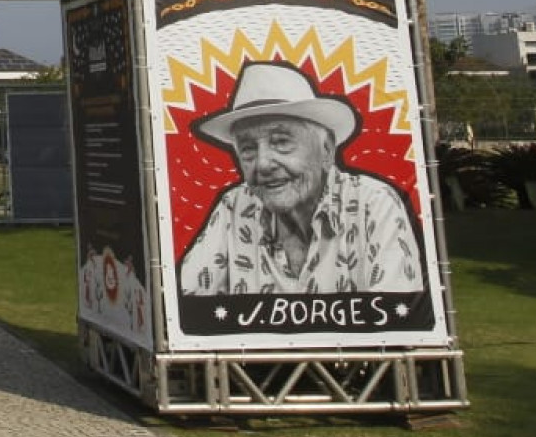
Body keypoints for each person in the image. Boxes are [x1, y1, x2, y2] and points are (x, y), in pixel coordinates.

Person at [180, 62, 424, 296]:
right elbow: (185, 306)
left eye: (281, 141)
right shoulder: (234, 207)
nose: (262, 163)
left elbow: (396, 320)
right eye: (247, 148)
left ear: (327, 150)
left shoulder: (373, 204)